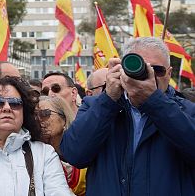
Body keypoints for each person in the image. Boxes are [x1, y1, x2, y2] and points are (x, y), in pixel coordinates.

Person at [61, 37, 195, 195]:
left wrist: (156, 103)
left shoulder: (187, 110)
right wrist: (109, 100)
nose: (149, 76)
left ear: (169, 73)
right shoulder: (95, 105)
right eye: (140, 68)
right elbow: (75, 154)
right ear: (122, 70)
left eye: (157, 70)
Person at [38, 96, 86, 195]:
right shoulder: (35, 155)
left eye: (45, 113)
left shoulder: (84, 149)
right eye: (34, 116)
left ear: (63, 118)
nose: (39, 120)